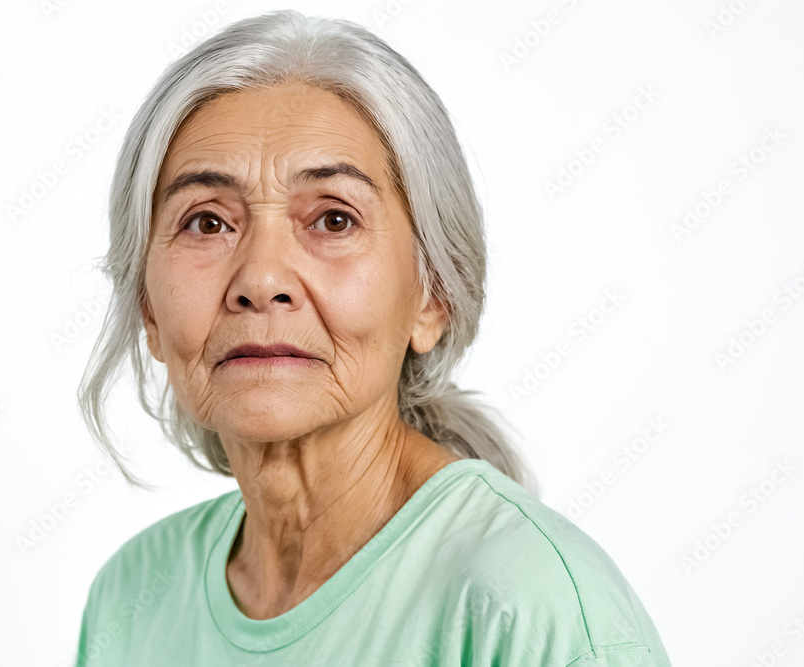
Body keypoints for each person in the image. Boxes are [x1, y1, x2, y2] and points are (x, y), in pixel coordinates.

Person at [74, 9, 670, 666]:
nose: (262, 279)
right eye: (207, 223)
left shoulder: (531, 606)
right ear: (148, 310)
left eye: (333, 218)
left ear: (432, 294)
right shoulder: (132, 596)